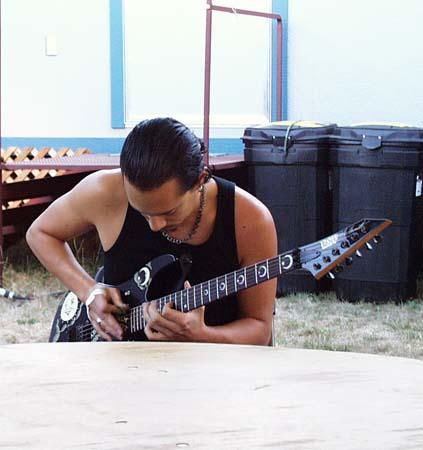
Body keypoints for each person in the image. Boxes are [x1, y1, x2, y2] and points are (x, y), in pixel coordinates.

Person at [26, 118, 277, 345]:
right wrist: (89, 291)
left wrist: (203, 336)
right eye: (142, 212)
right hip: (117, 370)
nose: (155, 225)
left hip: (211, 372)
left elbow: (260, 329)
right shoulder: (106, 190)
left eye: (169, 212)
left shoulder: (249, 219)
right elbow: (40, 233)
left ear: (200, 180)